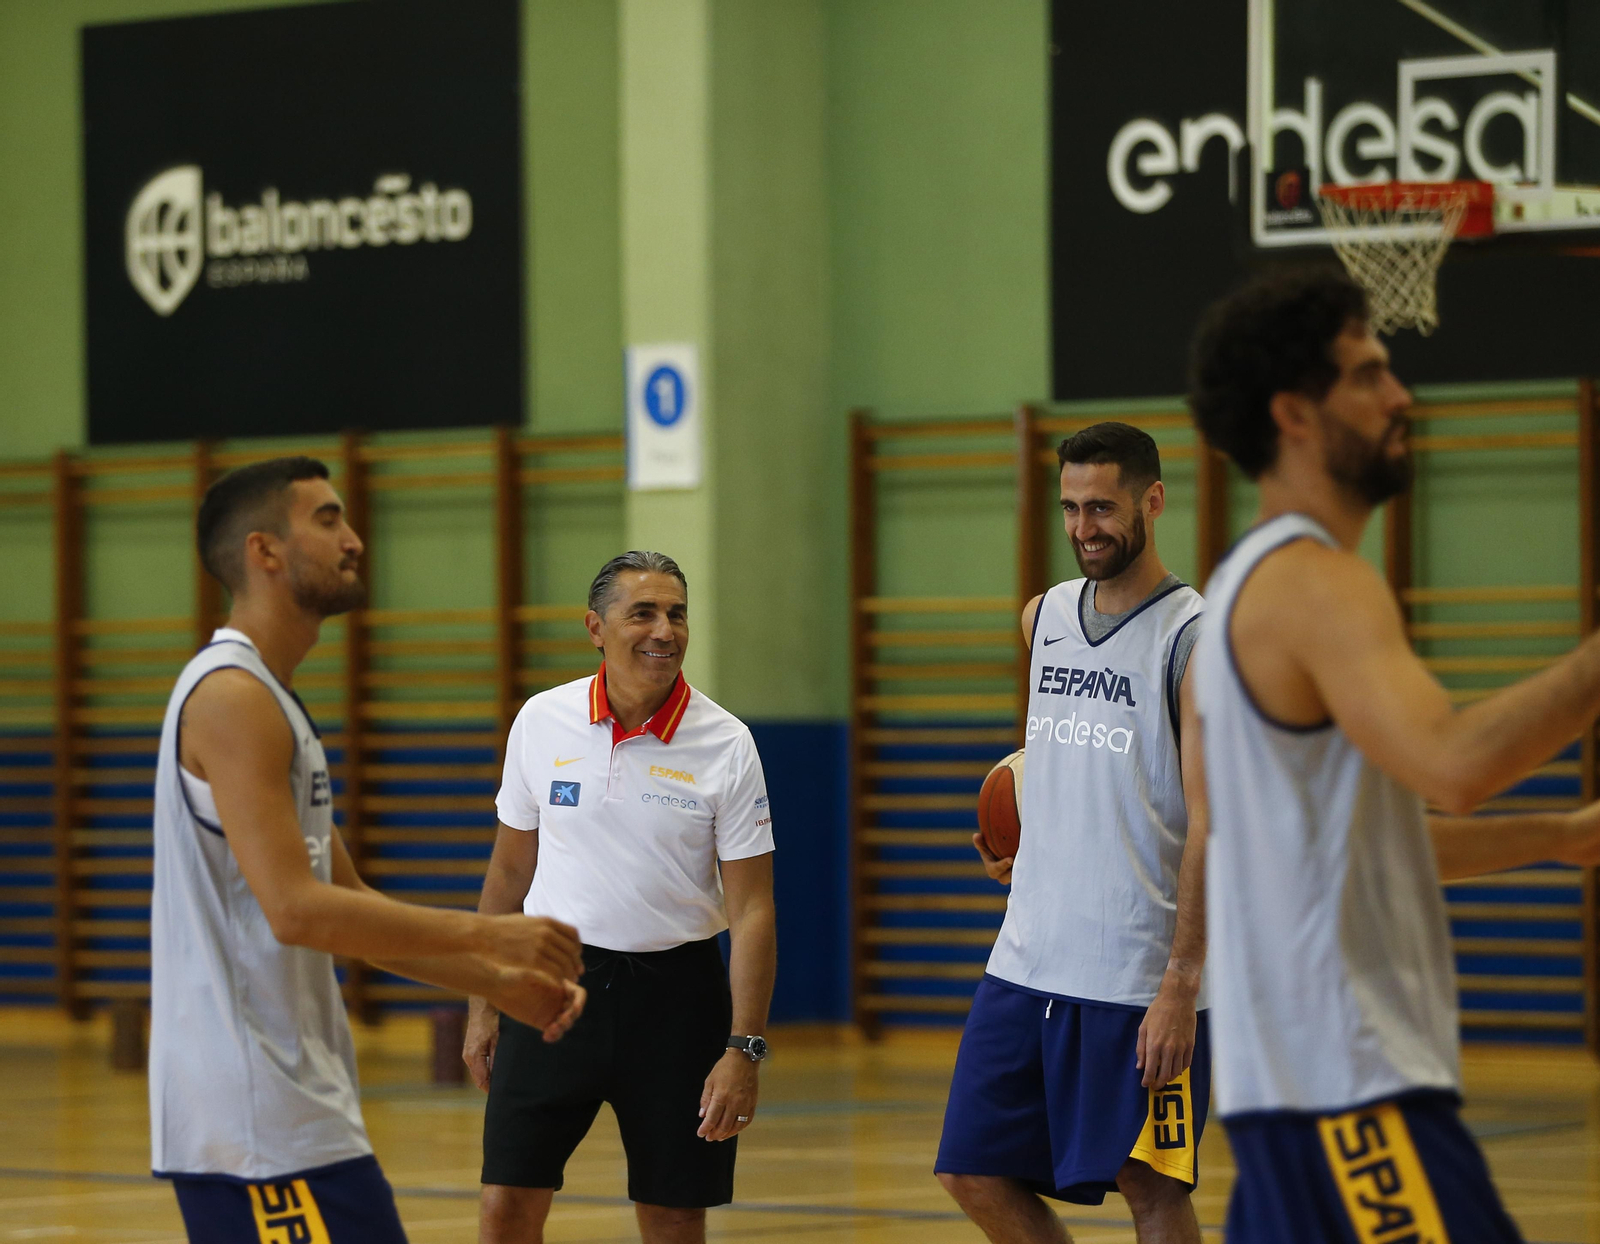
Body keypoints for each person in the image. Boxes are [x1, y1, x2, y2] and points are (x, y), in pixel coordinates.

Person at [1188, 268, 1600, 1243]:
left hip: (1287, 1098)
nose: (1400, 394)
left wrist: (1561, 835)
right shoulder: (1318, 583)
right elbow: (1453, 762)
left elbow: (1335, 849)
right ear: (1294, 411)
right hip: (1349, 1091)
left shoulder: (1237, 591)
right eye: (1368, 374)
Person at [151, 456, 587, 1244]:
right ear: (264, 552)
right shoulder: (232, 698)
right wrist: (491, 932)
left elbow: (354, 912)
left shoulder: (272, 700)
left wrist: (498, 983)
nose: (353, 539)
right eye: (326, 520)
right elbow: (294, 911)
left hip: (297, 1117)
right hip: (251, 1124)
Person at [936, 423, 1209, 1243]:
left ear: (1152, 502)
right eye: (1070, 508)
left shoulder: (1195, 640)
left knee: (1150, 1185)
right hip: (1027, 959)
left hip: (1134, 974)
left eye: (1102, 507)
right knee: (970, 1169)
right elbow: (1056, 753)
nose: (1084, 527)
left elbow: (1214, 824)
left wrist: (1181, 986)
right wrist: (1030, 836)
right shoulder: (1043, 617)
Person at [466, 550, 778, 1244]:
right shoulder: (542, 722)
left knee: (673, 1216)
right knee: (505, 1205)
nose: (664, 630)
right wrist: (482, 1005)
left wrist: (743, 1050)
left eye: (676, 614)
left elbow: (754, 910)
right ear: (595, 627)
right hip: (550, 988)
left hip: (677, 1003)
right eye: (643, 612)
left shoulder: (727, 743)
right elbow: (508, 875)